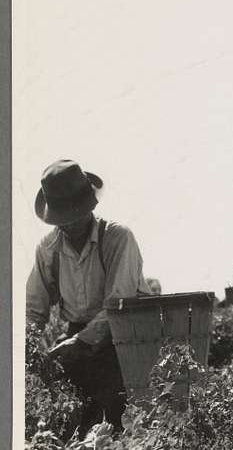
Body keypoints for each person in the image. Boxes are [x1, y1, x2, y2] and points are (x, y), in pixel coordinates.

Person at [25, 160, 151, 433]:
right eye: (63, 217)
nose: (69, 224)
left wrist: (77, 344)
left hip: (126, 337)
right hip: (77, 335)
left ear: (91, 206)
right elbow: (33, 310)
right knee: (59, 407)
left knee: (112, 410)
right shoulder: (48, 248)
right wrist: (28, 347)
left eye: (75, 214)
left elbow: (118, 306)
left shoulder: (118, 238)